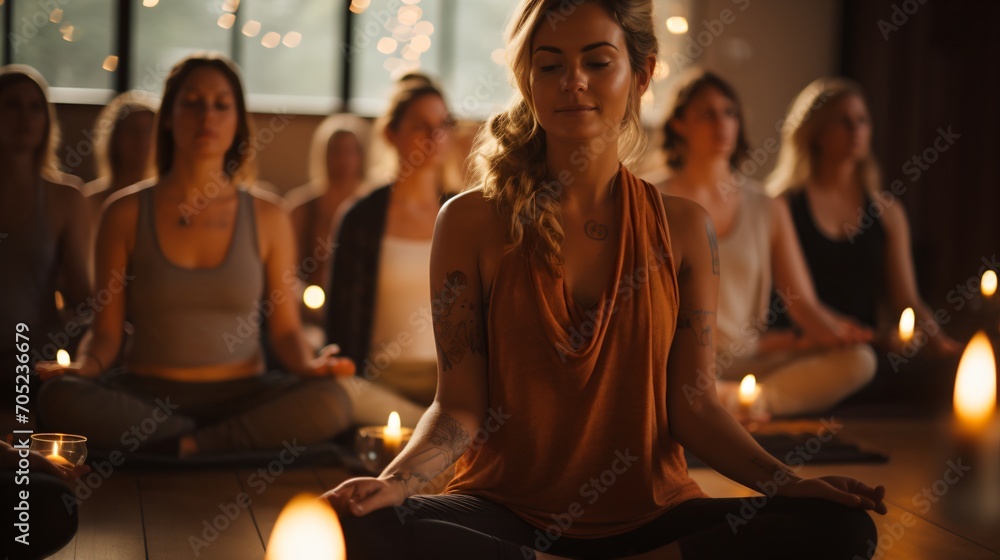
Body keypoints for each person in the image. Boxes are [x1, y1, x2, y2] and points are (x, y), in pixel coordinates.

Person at [325, 2, 885, 559]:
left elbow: (693, 406)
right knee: (350, 523)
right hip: (506, 514)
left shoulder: (686, 227)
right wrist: (395, 483)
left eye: (597, 62)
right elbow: (459, 407)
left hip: (653, 515)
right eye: (550, 66)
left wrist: (790, 483)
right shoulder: (469, 221)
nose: (572, 81)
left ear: (640, 74)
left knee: (842, 529)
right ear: (529, 80)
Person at [35, 53, 354, 457]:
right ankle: (212, 442)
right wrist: (85, 368)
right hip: (144, 395)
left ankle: (183, 444)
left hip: (244, 394)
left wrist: (311, 366)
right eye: (193, 102)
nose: (208, 115)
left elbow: (287, 332)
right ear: (168, 117)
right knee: (58, 397)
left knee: (333, 400)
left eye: (222, 104)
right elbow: (107, 332)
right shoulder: (125, 212)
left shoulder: (268, 214)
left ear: (237, 120)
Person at [658, 70, 875, 417]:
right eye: (707, 113)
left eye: (730, 112)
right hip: (676, 361)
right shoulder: (652, 198)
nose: (722, 124)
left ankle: (750, 402)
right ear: (680, 124)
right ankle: (718, 402)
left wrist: (837, 332)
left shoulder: (766, 205)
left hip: (747, 360)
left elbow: (802, 303)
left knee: (860, 360)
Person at [766, 77, 961, 356]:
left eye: (862, 120)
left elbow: (906, 299)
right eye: (843, 121)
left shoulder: (887, 212)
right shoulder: (782, 206)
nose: (855, 130)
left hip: (863, 349)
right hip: (800, 347)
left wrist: (942, 343)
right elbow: (798, 304)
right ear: (817, 132)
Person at [325, 77, 455, 428]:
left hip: (450, 385)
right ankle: (436, 437)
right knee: (335, 392)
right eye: (420, 126)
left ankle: (431, 435)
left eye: (443, 125)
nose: (434, 136)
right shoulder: (360, 218)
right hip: (379, 384)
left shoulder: (463, 213)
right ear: (391, 134)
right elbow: (339, 321)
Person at [0, 65, 91, 376]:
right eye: (12, 104)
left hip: (34, 352)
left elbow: (82, 294)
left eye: (35, 107)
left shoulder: (65, 196)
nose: (25, 117)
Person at [284, 113, 367, 301]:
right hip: (312, 314)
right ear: (324, 155)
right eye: (336, 151)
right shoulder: (301, 208)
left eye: (350, 151)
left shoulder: (374, 208)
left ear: (361, 156)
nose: (344, 160)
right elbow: (286, 275)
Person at [83, 90, 159, 227]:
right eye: (133, 130)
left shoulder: (166, 201)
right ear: (115, 139)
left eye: (150, 131)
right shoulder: (89, 202)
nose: (143, 140)